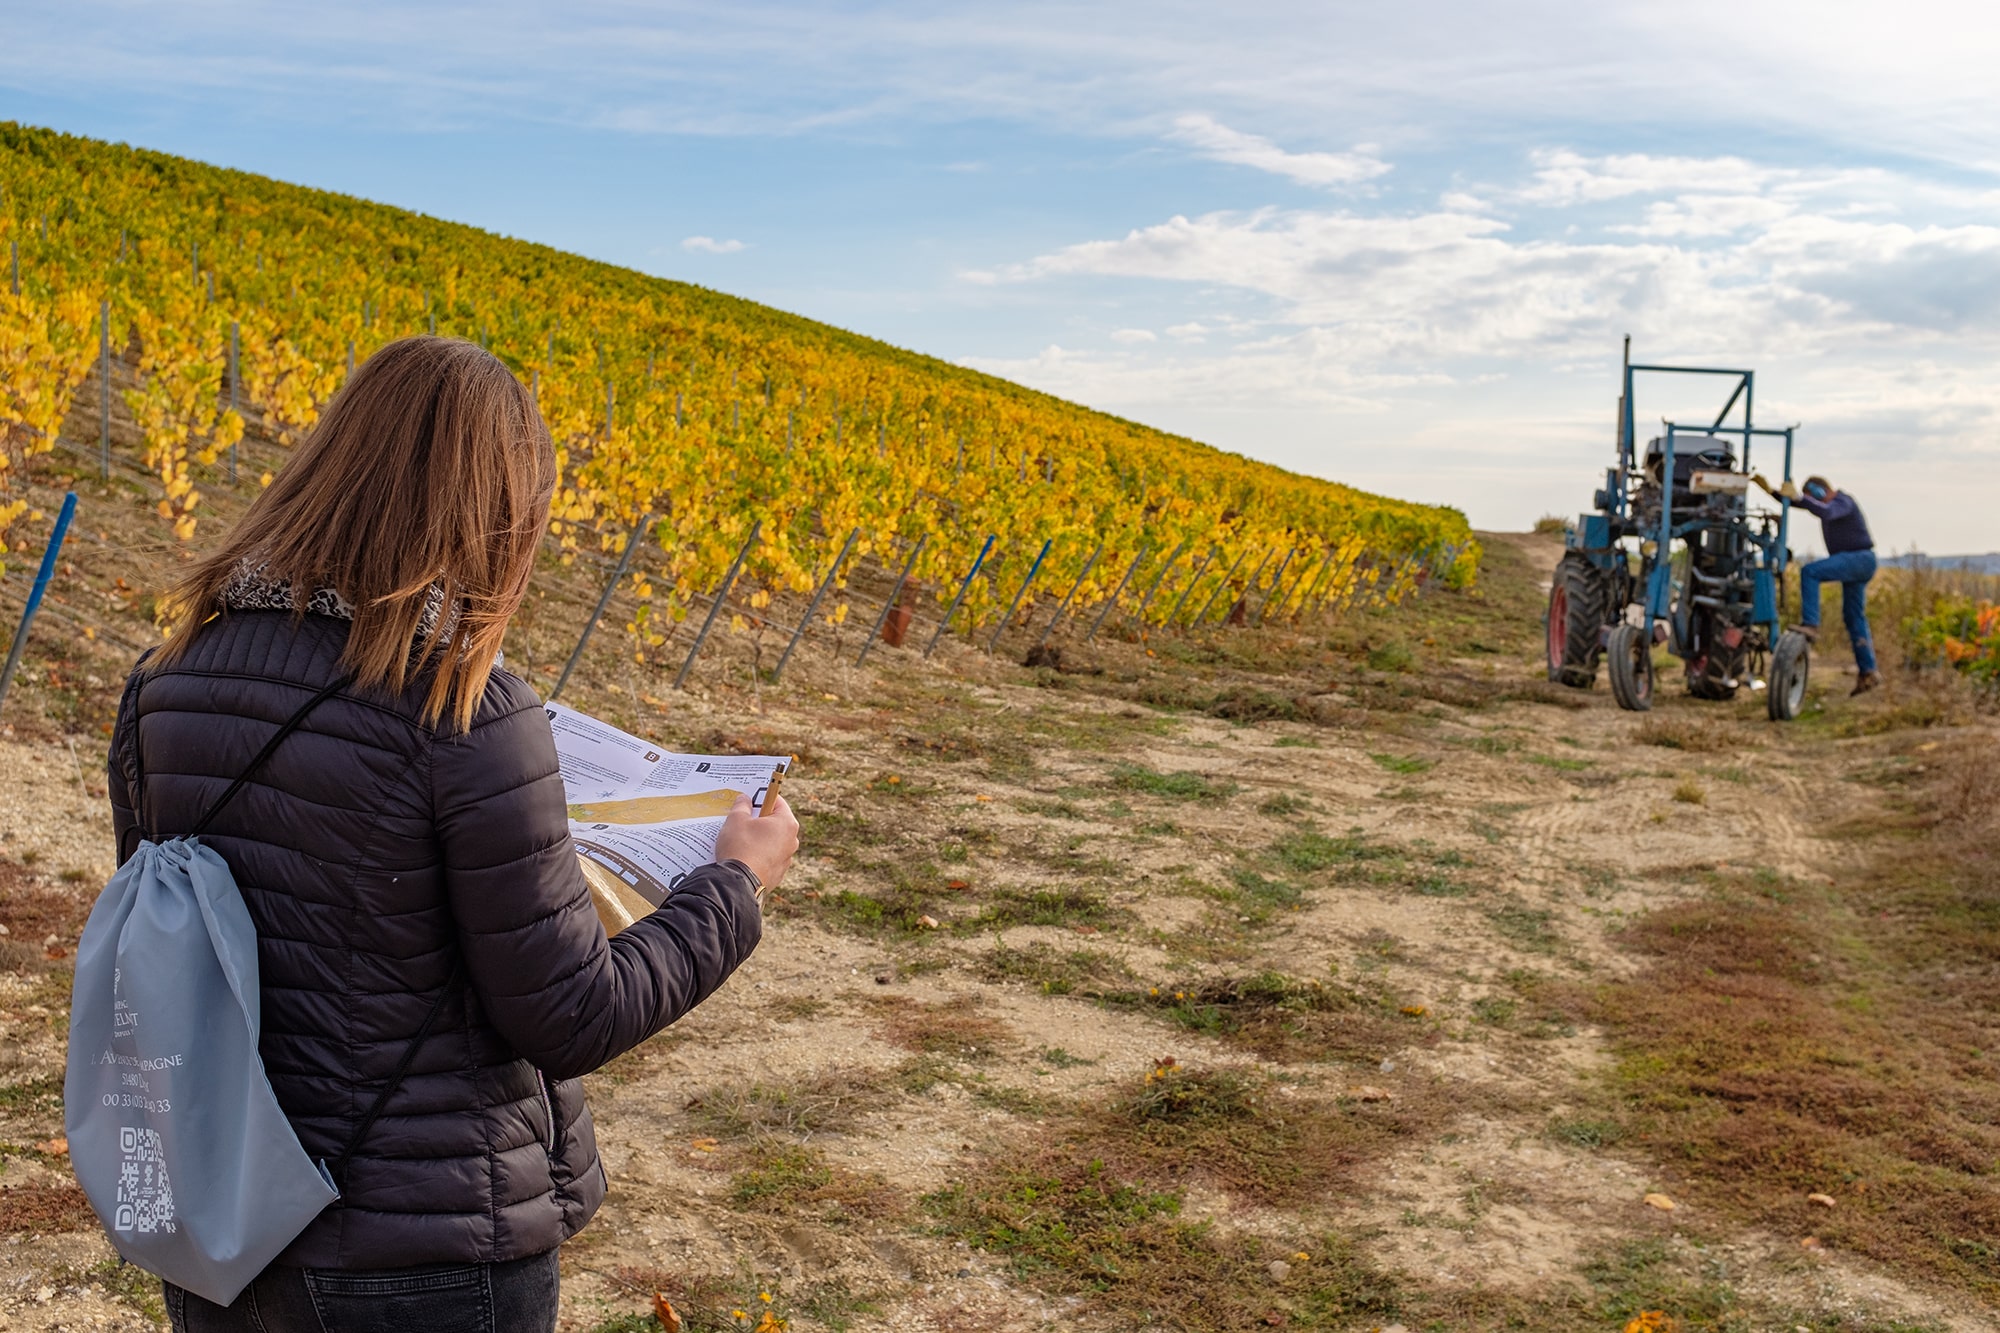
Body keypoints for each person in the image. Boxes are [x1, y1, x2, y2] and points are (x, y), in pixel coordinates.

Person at [108, 336, 800, 1332]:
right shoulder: (462, 712)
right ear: (496, 515)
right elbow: (571, 1013)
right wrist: (732, 886)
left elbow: (187, 934)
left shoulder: (163, 681)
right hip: (422, 1257)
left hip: (227, 1220)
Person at [1753, 471, 1881, 695]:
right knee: (1854, 617)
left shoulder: (1843, 501)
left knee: (1810, 572)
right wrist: (1773, 492)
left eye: (1811, 497)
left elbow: (1827, 511)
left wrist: (1801, 498)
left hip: (1859, 559)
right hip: (1857, 562)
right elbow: (1801, 505)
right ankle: (1869, 672)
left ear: (1820, 492)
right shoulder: (1825, 503)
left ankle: (1811, 623)